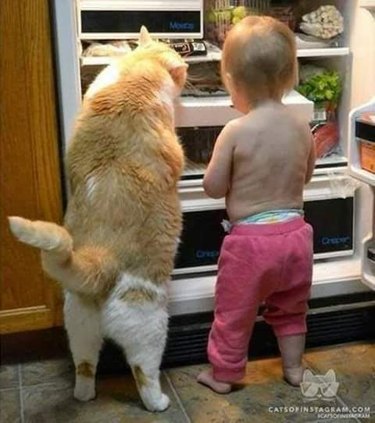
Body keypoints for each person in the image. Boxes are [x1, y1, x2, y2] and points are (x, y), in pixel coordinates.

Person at [197, 16, 316, 394]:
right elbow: (306, 175)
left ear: (232, 81)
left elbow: (213, 188)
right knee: (291, 308)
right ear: (289, 74)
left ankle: (225, 375)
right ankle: (294, 368)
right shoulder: (300, 125)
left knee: (234, 313)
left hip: (250, 245)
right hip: (296, 238)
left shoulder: (235, 130)